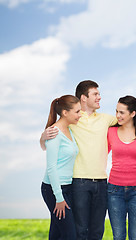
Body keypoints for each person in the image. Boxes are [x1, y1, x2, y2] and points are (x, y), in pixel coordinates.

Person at [40, 80, 117, 240]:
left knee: (94, 231)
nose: (100, 97)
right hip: (76, 183)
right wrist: (42, 138)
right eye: (95, 94)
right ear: (83, 98)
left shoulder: (106, 119)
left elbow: (128, 120)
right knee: (76, 231)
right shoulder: (72, 120)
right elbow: (49, 147)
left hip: (99, 182)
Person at [41, 95, 81, 240]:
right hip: (53, 190)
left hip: (67, 187)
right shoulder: (54, 132)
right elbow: (51, 167)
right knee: (69, 235)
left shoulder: (69, 130)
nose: (79, 115)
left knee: (57, 233)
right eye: (77, 111)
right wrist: (59, 198)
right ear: (65, 112)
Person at [107, 96, 136, 240]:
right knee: (118, 236)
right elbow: (100, 153)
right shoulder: (110, 132)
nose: (118, 115)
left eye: (122, 112)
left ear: (133, 114)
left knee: (135, 237)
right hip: (114, 190)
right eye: (117, 111)